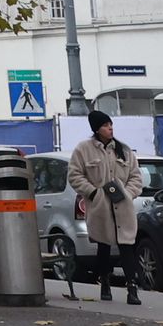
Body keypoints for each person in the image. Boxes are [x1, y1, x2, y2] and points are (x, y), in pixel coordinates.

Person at [65, 109, 144, 303]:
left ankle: (132, 288)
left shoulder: (124, 151)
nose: (110, 129)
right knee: (104, 248)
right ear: (97, 129)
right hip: (100, 208)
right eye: (106, 125)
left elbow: (135, 176)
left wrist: (128, 193)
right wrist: (93, 193)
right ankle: (105, 282)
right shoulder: (83, 149)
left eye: (111, 125)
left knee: (127, 247)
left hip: (123, 208)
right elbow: (75, 175)